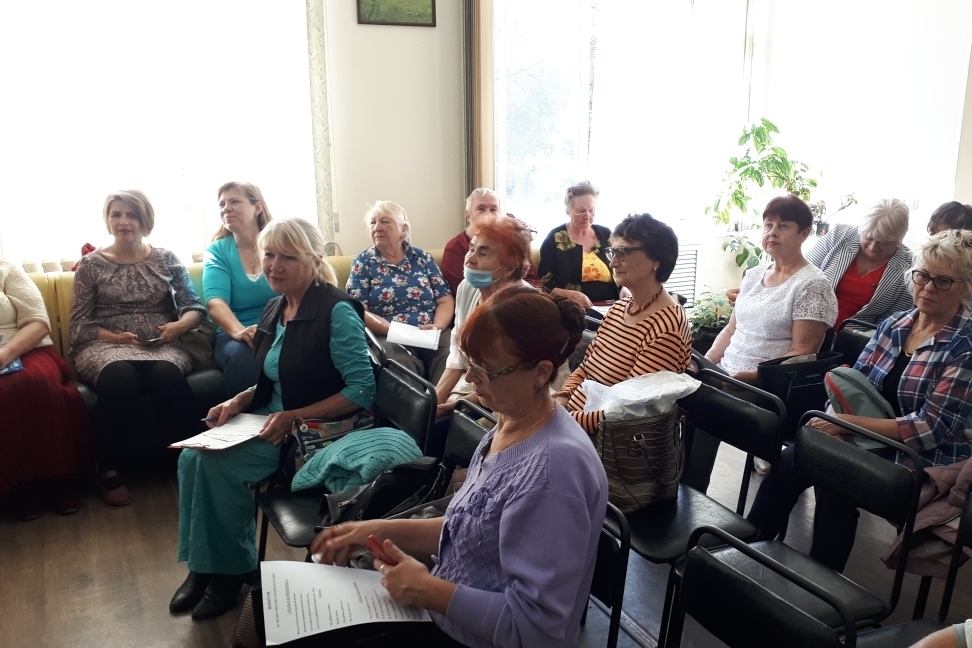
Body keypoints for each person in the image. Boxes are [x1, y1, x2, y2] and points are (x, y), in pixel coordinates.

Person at [307, 284, 608, 647]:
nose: (470, 379)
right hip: (444, 612)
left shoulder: (553, 473)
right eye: (470, 364)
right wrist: (375, 529)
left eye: (486, 370)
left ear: (541, 373)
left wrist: (427, 590)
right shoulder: (510, 424)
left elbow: (537, 630)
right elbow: (468, 527)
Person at [171, 218, 376, 621]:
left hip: (311, 431)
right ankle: (203, 566)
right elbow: (273, 377)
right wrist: (238, 400)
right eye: (269, 254)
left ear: (314, 260)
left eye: (288, 257)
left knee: (216, 467)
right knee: (191, 457)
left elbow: (361, 391)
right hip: (272, 418)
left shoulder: (336, 311)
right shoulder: (277, 306)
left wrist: (291, 416)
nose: (274, 265)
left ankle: (230, 572)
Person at [747, 229, 972, 573]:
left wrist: (845, 425)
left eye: (943, 281)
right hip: (867, 437)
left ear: (966, 288)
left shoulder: (965, 348)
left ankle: (819, 582)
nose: (927, 287)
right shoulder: (896, 325)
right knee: (793, 458)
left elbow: (929, 430)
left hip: (922, 462)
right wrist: (833, 422)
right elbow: (851, 385)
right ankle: (747, 547)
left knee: (836, 479)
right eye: (922, 276)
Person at [71, 190, 206, 507]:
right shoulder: (90, 265)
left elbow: (194, 308)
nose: (123, 221)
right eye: (116, 214)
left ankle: (196, 457)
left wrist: (178, 327)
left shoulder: (166, 258)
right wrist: (116, 338)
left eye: (131, 215)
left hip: (163, 341)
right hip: (104, 343)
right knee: (121, 376)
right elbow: (79, 325)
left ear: (145, 220)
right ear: (107, 220)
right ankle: (107, 468)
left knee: (164, 375)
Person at [554, 213, 692, 434]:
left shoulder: (667, 326)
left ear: (656, 259)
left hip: (604, 440)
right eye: (613, 252)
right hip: (575, 422)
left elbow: (629, 410)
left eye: (623, 252)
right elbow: (586, 367)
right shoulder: (620, 308)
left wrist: (564, 420)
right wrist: (561, 398)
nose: (612, 262)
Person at [705, 195, 838, 385]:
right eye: (768, 225)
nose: (773, 232)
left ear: (804, 233)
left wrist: (755, 377)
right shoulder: (753, 275)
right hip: (722, 375)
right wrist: (706, 363)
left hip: (765, 387)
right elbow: (731, 329)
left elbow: (803, 351)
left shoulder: (813, 285)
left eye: (783, 226)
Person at [1, 260, 90, 520]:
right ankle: (20, 488)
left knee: (36, 385)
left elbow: (38, 322)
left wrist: (4, 355)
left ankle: (60, 479)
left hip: (27, 348)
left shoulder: (6, 268)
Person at [435, 215, 534, 419]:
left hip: (519, 395)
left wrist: (451, 407)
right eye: (471, 249)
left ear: (509, 267)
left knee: (447, 427)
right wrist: (432, 403)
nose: (470, 259)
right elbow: (457, 354)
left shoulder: (522, 307)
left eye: (483, 253)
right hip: (479, 382)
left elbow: (507, 379)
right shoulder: (467, 288)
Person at [347, 200, 455, 383]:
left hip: (429, 330)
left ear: (403, 230)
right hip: (388, 334)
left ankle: (443, 401)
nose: (377, 227)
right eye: (373, 223)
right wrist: (392, 329)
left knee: (450, 354)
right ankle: (415, 402)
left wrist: (438, 326)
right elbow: (358, 310)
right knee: (399, 361)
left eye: (384, 221)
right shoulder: (363, 262)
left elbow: (445, 300)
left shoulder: (423, 258)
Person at [203, 181, 277, 396]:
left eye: (234, 201)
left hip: (282, 326)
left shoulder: (280, 244)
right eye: (222, 204)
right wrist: (239, 331)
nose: (226, 208)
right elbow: (216, 302)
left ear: (257, 207)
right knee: (243, 355)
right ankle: (244, 417)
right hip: (236, 332)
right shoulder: (217, 251)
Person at [806, 198, 914, 331]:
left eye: (884, 243)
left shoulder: (909, 267)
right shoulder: (840, 235)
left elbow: (893, 322)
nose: (873, 247)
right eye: (869, 238)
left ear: (899, 240)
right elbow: (802, 274)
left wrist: (858, 336)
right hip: (809, 321)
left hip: (857, 338)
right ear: (861, 230)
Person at [440, 188, 539, 295]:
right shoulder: (455, 247)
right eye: (481, 209)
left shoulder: (514, 243)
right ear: (468, 216)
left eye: (493, 210)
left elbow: (533, 282)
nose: (488, 215)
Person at [538, 180, 619, 308]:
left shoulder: (606, 234)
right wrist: (567, 294)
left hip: (612, 305)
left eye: (592, 210)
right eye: (581, 211)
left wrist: (625, 288)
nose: (587, 216)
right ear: (568, 210)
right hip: (572, 309)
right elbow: (542, 283)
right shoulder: (555, 238)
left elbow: (623, 267)